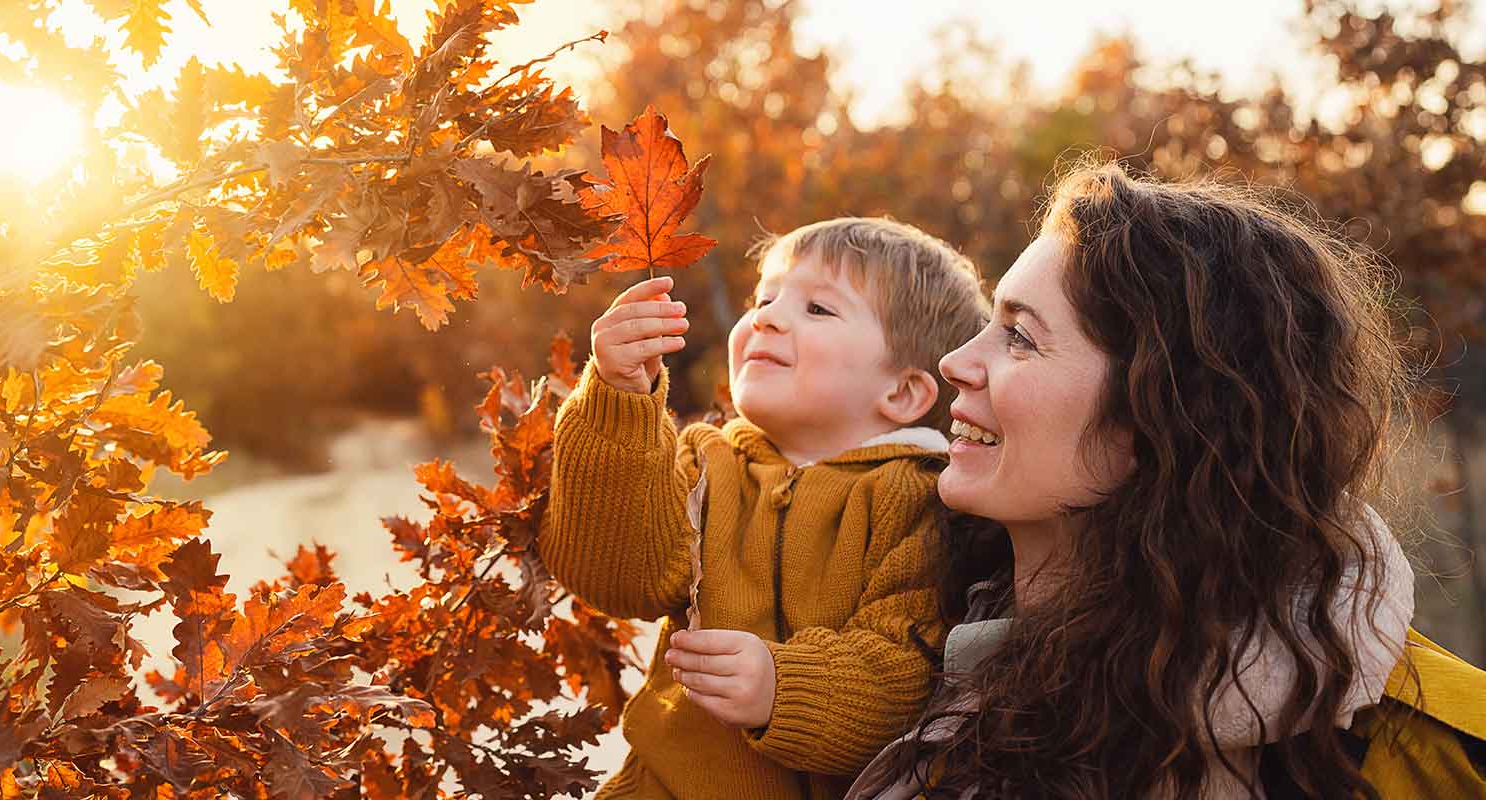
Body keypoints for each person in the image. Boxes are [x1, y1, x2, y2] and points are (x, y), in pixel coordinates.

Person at [847, 162, 1485, 799]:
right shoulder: (884, 638)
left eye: (1019, 337)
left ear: (1161, 416)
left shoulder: (1434, 758)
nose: (955, 362)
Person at [538, 217, 990, 798]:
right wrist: (618, 398)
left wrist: (782, 688)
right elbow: (617, 577)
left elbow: (907, 671)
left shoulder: (920, 499)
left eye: (818, 310)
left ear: (902, 393)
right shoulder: (706, 464)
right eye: (764, 298)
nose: (766, 317)